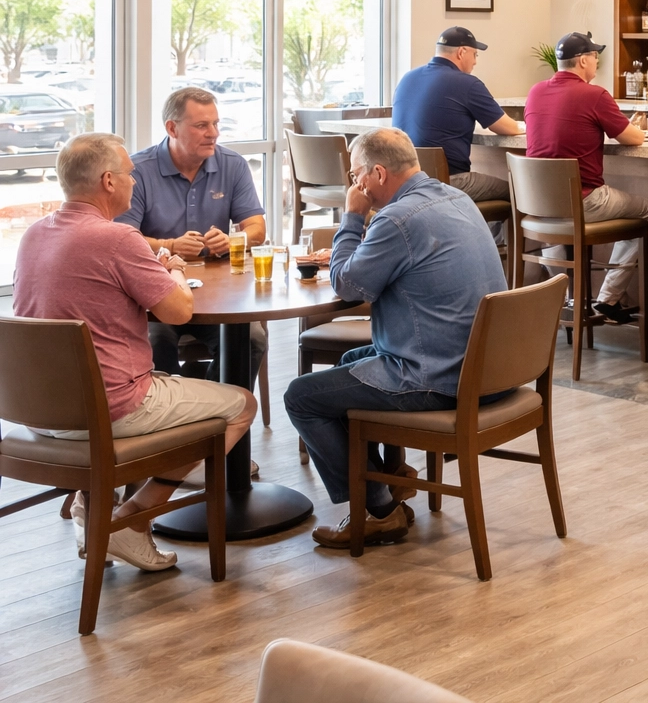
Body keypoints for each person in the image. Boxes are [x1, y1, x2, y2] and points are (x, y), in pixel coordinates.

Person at [15, 133, 257, 571]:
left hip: (40, 412)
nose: (133, 180)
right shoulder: (118, 239)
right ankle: (129, 520)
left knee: (174, 384)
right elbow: (180, 311)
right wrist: (177, 269)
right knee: (240, 405)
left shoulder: (33, 234)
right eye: (128, 173)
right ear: (108, 181)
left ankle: (94, 508)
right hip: (110, 409)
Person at [283, 127, 508, 548]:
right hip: (490, 369)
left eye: (356, 176)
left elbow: (347, 286)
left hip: (440, 378)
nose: (355, 185)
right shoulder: (456, 197)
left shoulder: (397, 219)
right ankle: (386, 481)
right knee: (349, 365)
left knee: (302, 396)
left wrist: (351, 217)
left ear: (378, 174)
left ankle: (380, 512)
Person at [117, 87, 266, 380]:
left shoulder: (232, 165)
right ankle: (175, 416)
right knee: (155, 344)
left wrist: (234, 239)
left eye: (215, 124)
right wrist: (169, 245)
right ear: (172, 128)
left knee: (252, 340)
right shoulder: (138, 171)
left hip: (221, 296)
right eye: (201, 125)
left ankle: (216, 419)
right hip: (157, 296)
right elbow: (121, 238)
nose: (214, 133)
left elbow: (257, 229)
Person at [523, 31, 648, 324]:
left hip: (538, 205)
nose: (597, 62)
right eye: (595, 56)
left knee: (551, 213)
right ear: (583, 60)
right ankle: (607, 299)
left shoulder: (535, 92)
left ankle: (562, 295)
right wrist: (639, 129)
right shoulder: (595, 94)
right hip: (585, 201)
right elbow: (632, 137)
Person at [391, 26, 523, 206]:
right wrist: (524, 126)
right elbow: (506, 127)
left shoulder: (407, 78)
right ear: (462, 52)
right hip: (448, 181)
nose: (475, 62)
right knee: (518, 189)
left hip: (405, 181)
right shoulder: (467, 83)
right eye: (475, 55)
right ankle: (490, 236)